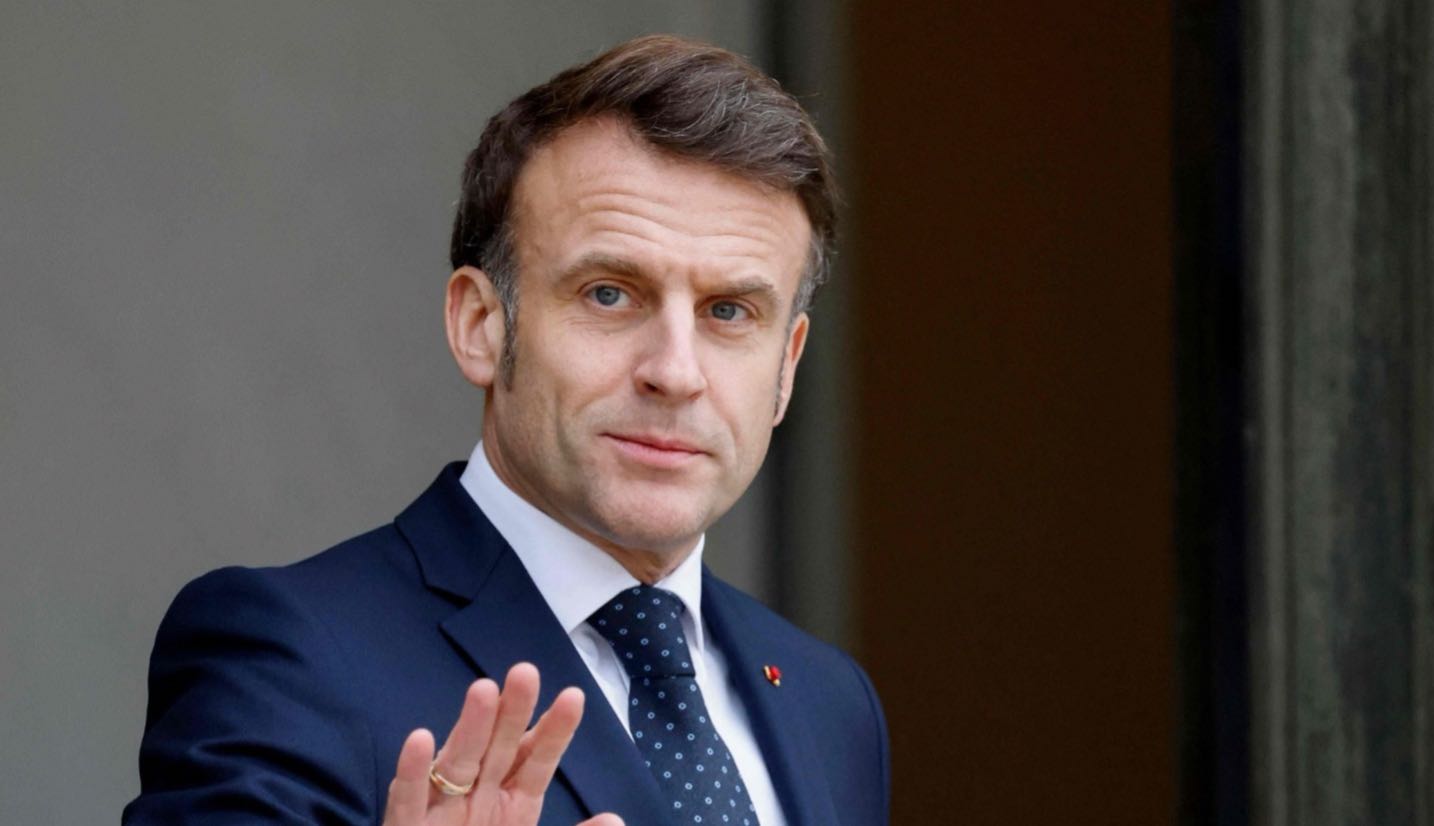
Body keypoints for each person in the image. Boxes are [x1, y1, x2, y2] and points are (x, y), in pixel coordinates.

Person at [123, 34, 889, 826]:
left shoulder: (829, 702)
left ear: (786, 367)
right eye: (608, 294)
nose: (675, 371)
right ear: (480, 326)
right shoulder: (289, 655)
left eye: (729, 311)